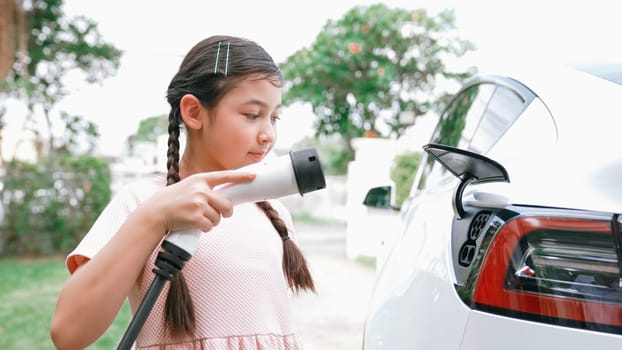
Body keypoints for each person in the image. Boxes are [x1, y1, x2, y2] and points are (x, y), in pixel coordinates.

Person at [50, 35, 315, 350]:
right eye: (252, 115)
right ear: (193, 112)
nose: (267, 134)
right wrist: (153, 219)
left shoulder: (273, 213)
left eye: (274, 117)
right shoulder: (143, 202)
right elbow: (69, 333)